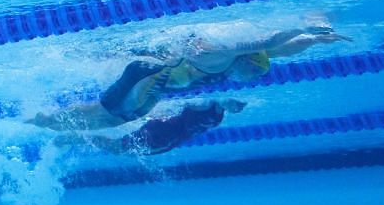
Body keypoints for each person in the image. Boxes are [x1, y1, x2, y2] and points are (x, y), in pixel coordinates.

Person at [32, 23, 346, 131]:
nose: (249, 77)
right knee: (109, 115)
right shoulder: (224, 54)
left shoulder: (237, 64)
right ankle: (46, 119)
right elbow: (269, 41)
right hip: (148, 72)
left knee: (115, 117)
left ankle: (48, 119)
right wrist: (303, 28)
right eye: (252, 70)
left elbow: (285, 50)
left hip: (155, 78)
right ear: (246, 60)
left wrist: (315, 40)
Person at [82, 98, 247, 156]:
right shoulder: (206, 104)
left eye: (241, 105)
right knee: (118, 148)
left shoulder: (218, 115)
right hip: (162, 134)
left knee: (120, 149)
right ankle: (78, 137)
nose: (240, 107)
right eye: (239, 103)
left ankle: (82, 136)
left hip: (169, 137)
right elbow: (184, 103)